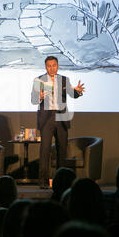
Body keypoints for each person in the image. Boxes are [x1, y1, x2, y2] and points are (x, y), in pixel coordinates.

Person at [31, 56, 85, 188]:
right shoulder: (39, 80)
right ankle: (43, 182)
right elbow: (33, 99)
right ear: (45, 67)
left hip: (61, 117)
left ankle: (61, 182)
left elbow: (73, 94)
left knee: (62, 150)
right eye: (49, 66)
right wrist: (40, 96)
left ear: (58, 66)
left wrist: (78, 92)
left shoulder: (64, 79)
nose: (51, 68)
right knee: (45, 150)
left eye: (54, 65)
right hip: (47, 118)